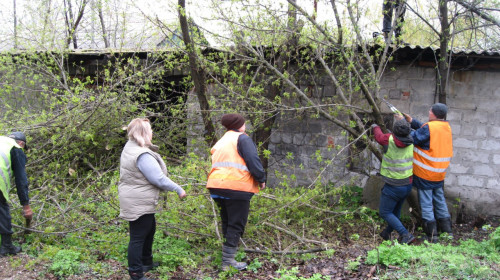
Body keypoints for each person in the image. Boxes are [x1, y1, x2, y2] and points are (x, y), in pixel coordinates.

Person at [118, 118, 186, 280]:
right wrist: (178, 188)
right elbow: (158, 178)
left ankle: (146, 261)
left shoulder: (131, 147)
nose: (152, 132)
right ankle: (136, 272)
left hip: (136, 197)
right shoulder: (142, 155)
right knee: (138, 237)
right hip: (138, 199)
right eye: (150, 130)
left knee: (149, 229)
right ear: (143, 133)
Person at [206, 114, 266, 271]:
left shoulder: (222, 140)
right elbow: (253, 160)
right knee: (236, 223)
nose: (245, 125)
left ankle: (227, 258)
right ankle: (228, 262)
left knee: (227, 221)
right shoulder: (242, 138)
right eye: (243, 123)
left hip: (216, 186)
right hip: (236, 186)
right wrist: (261, 178)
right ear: (239, 125)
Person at [403, 103, 453, 243]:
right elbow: (426, 130)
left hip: (426, 172)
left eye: (430, 111)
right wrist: (411, 121)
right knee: (439, 201)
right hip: (439, 173)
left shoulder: (430, 128)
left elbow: (413, 137)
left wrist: (403, 125)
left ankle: (432, 236)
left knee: (425, 204)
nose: (429, 112)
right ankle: (447, 232)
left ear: (433, 114)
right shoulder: (445, 127)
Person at [372, 118, 415, 244]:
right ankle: (386, 233)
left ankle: (405, 234)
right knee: (395, 211)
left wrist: (375, 126)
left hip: (393, 185)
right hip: (407, 183)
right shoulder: (411, 139)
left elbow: (379, 137)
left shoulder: (389, 139)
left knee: (385, 212)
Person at [0, 131, 33, 257]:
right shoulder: (16, 148)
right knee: (2, 209)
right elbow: (21, 180)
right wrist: (26, 206)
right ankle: (7, 246)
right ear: (21, 143)